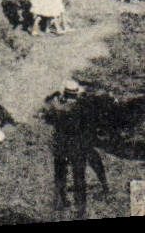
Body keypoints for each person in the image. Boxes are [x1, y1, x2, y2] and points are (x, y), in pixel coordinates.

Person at [43, 80, 109, 216]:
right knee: (79, 176)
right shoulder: (82, 107)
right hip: (78, 145)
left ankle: (60, 202)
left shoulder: (57, 106)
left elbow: (48, 117)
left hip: (61, 145)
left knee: (60, 175)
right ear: (76, 93)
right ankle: (80, 207)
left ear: (65, 92)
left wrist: (53, 99)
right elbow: (90, 122)